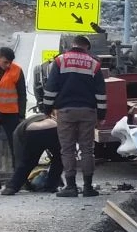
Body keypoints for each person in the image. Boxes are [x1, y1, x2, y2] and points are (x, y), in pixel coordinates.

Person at [42, 34, 107, 197]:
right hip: (87, 111)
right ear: (87, 47)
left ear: (73, 45)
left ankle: (70, 186)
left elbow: (51, 88)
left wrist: (47, 109)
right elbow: (101, 94)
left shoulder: (60, 61)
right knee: (87, 149)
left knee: (67, 149)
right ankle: (88, 187)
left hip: (66, 111)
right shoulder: (94, 64)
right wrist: (101, 115)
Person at [0, 46, 27, 190]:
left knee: (16, 146)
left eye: (10, 63)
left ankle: (18, 178)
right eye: (5, 62)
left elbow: (22, 94)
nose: (8, 65)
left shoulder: (17, 70)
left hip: (11, 113)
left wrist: (21, 116)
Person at [1, 112, 63, 196]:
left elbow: (19, 157)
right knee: (59, 158)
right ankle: (51, 186)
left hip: (32, 131)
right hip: (52, 127)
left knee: (28, 162)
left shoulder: (17, 133)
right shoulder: (46, 116)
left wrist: (23, 181)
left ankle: (11, 187)